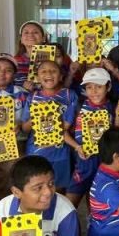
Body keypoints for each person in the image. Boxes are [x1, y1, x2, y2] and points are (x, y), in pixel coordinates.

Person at [18, 59, 78, 200]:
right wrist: (38, 114)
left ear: (61, 76)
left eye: (53, 71)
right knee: (36, 188)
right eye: (43, 71)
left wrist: (52, 114)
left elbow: (69, 125)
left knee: (58, 190)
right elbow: (25, 128)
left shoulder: (69, 95)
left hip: (60, 151)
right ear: (37, 77)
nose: (48, 74)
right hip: (36, 151)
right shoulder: (32, 97)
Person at [66, 67, 114, 206]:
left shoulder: (113, 107)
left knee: (95, 204)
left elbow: (117, 134)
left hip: (104, 163)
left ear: (108, 87)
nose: (94, 91)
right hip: (83, 162)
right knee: (69, 204)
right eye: (89, 87)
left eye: (99, 86)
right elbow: (62, 132)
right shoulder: (78, 106)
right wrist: (77, 147)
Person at [13, 20, 75, 91]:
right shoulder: (14, 61)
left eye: (35, 32)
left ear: (43, 38)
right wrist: (23, 88)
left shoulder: (58, 56)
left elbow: (67, 84)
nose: (30, 35)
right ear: (21, 39)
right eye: (26, 32)